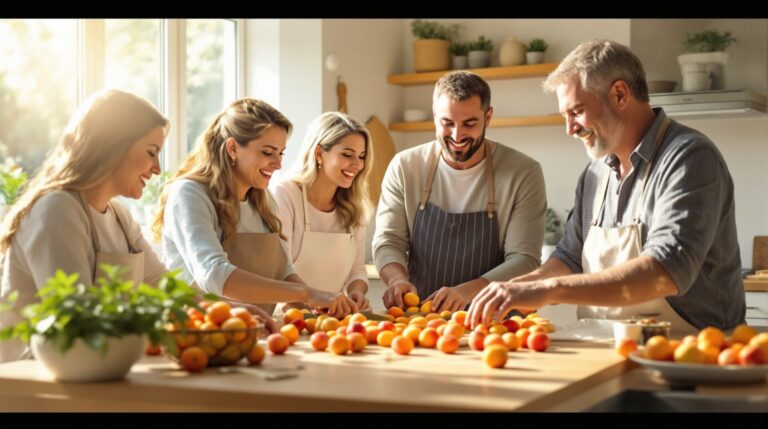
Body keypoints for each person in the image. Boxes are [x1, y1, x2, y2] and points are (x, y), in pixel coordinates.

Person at [467, 40, 745, 335]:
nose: (569, 129)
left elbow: (665, 271)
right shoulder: (595, 174)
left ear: (620, 94)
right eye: (565, 116)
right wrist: (516, 288)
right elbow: (569, 257)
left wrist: (548, 289)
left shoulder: (688, 158)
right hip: (606, 350)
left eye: (576, 111)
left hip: (691, 356)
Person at [0, 89, 170, 362]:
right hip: (37, 383)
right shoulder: (56, 209)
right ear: (113, 145)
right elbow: (79, 320)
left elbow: (159, 283)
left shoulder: (119, 215)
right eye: (151, 152)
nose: (157, 168)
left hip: (98, 370)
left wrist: (233, 312)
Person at [153, 98, 357, 320]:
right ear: (233, 148)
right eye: (268, 152)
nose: (278, 164)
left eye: (281, 153)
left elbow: (285, 270)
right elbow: (215, 274)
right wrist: (307, 294)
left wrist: (320, 305)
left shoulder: (262, 199)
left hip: (256, 333)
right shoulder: (190, 194)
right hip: (199, 334)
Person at [373, 71, 547, 313]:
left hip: (497, 321)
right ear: (435, 116)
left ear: (488, 117)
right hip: (421, 319)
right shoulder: (405, 167)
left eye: (469, 124)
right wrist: (396, 279)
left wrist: (467, 292)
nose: (457, 135)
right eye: (447, 123)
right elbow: (388, 240)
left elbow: (524, 259)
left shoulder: (523, 172)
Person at [271, 112, 373, 312]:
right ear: (319, 153)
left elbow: (357, 271)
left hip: (331, 319)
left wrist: (357, 293)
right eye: (347, 154)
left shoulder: (355, 207)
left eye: (361, 157)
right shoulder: (285, 195)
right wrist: (314, 305)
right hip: (288, 320)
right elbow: (279, 271)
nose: (357, 165)